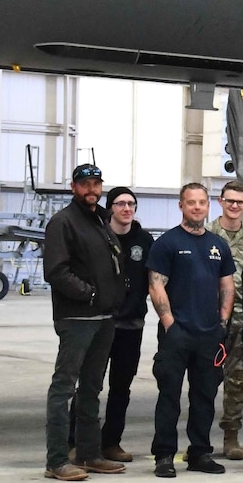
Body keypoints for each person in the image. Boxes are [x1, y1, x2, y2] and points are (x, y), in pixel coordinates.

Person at [41, 162, 128, 481]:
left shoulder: (100, 221)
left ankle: (90, 453)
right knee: (64, 387)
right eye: (85, 184)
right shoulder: (63, 222)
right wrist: (89, 295)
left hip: (104, 317)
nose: (91, 190)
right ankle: (57, 459)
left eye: (96, 184)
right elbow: (56, 271)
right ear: (73, 187)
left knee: (91, 388)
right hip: (77, 317)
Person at [146, 182, 238, 478]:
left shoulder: (218, 245)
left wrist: (222, 322)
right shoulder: (167, 243)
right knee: (169, 396)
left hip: (210, 334)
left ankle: (199, 453)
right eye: (191, 202)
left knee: (204, 397)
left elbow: (227, 284)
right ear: (181, 206)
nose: (197, 207)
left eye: (202, 202)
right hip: (177, 335)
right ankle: (164, 455)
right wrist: (170, 324)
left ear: (208, 206)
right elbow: (156, 285)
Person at [208, 181, 243, 461]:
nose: (234, 206)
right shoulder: (206, 233)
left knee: (237, 379)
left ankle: (231, 434)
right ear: (220, 201)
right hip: (207, 318)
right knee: (203, 378)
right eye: (230, 200)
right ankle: (199, 436)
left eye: (240, 202)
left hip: (242, 320)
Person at [99, 185, 154, 464]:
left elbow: (154, 280)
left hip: (131, 325)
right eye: (120, 203)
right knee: (90, 384)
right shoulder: (99, 236)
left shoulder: (144, 241)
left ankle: (111, 442)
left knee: (121, 387)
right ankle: (78, 441)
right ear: (110, 207)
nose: (126, 208)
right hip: (100, 323)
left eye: (131, 204)